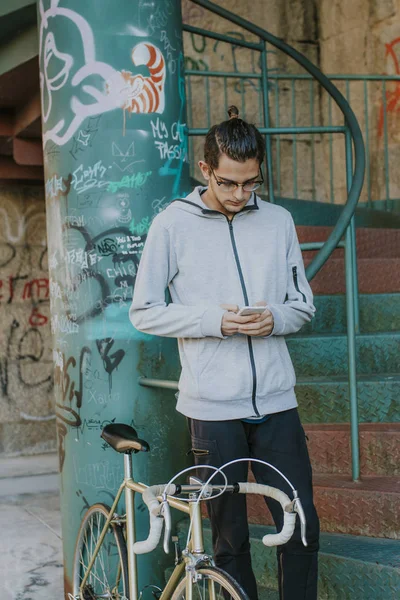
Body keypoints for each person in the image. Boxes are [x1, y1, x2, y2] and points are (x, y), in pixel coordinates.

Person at [130, 106, 319, 600]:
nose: (239, 195)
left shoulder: (278, 221)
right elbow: (144, 311)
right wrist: (214, 321)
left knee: (301, 526)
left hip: (277, 403)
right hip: (211, 409)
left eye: (250, 183)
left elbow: (303, 307)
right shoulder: (172, 225)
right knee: (230, 539)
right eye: (229, 183)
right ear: (206, 168)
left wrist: (273, 318)